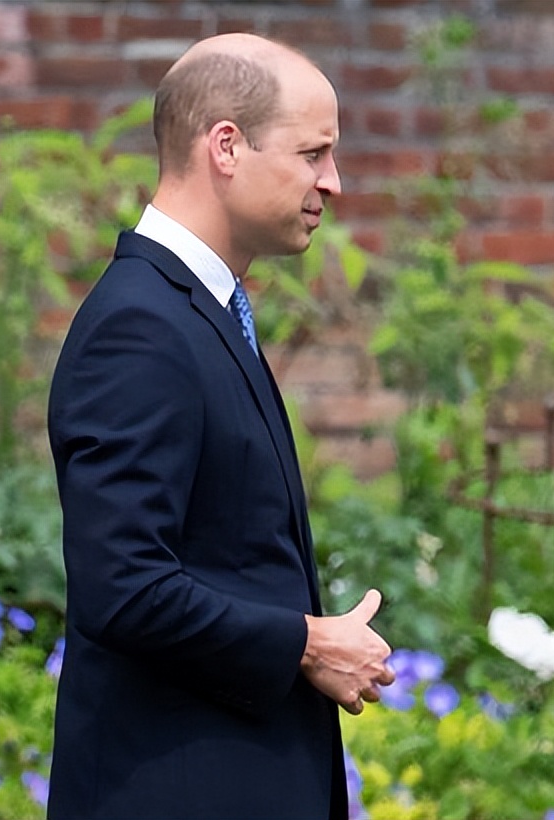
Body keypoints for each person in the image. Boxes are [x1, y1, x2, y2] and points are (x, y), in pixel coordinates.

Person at [46, 33, 395, 820]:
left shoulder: (197, 312)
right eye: (313, 154)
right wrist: (306, 642)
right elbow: (122, 587)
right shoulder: (140, 327)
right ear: (227, 147)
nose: (333, 183)